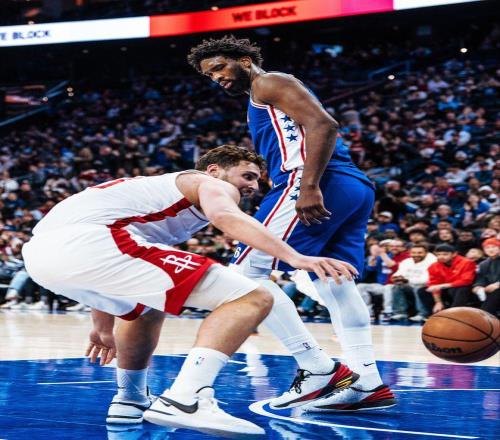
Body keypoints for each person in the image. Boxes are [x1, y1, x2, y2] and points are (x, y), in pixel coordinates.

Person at [22, 146, 357, 436]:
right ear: (214, 170)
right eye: (248, 176)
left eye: (257, 180)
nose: (254, 186)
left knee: (145, 310)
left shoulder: (152, 194)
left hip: (43, 257)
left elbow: (102, 259)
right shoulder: (208, 183)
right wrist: (295, 257)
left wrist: (102, 326)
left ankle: (131, 400)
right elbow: (224, 215)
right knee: (253, 296)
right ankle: (187, 398)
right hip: (93, 242)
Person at [188, 35, 396, 412]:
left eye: (219, 67)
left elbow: (324, 125)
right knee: (334, 280)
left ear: (244, 60)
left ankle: (315, 368)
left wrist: (309, 185)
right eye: (209, 75)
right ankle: (367, 382)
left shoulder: (268, 82)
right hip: (351, 186)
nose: (216, 77)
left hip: (310, 180)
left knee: (245, 274)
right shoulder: (264, 93)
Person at [418, 244, 477, 316]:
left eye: (445, 254)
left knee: (462, 288)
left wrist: (442, 286)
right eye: (438, 254)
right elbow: (434, 283)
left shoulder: (467, 262)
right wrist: (438, 302)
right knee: (423, 291)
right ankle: (437, 315)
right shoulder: (434, 266)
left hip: (463, 290)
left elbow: (466, 280)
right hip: (446, 289)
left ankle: (454, 314)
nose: (441, 257)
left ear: (454, 254)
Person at [390, 244, 437, 322]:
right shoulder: (406, 261)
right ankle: (400, 313)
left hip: (426, 287)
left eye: (420, 253)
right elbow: (399, 273)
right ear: (410, 253)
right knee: (398, 286)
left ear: (426, 253)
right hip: (410, 286)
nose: (416, 255)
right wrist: (396, 277)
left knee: (418, 287)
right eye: (413, 252)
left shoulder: (432, 262)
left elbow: (425, 280)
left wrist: (407, 280)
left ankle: (422, 314)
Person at [472, 238, 500, 316]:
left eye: (494, 247)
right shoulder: (483, 264)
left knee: (497, 292)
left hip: (497, 289)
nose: (491, 250)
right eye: (487, 247)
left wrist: (497, 284)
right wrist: (478, 287)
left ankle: (484, 315)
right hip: (489, 289)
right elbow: (481, 278)